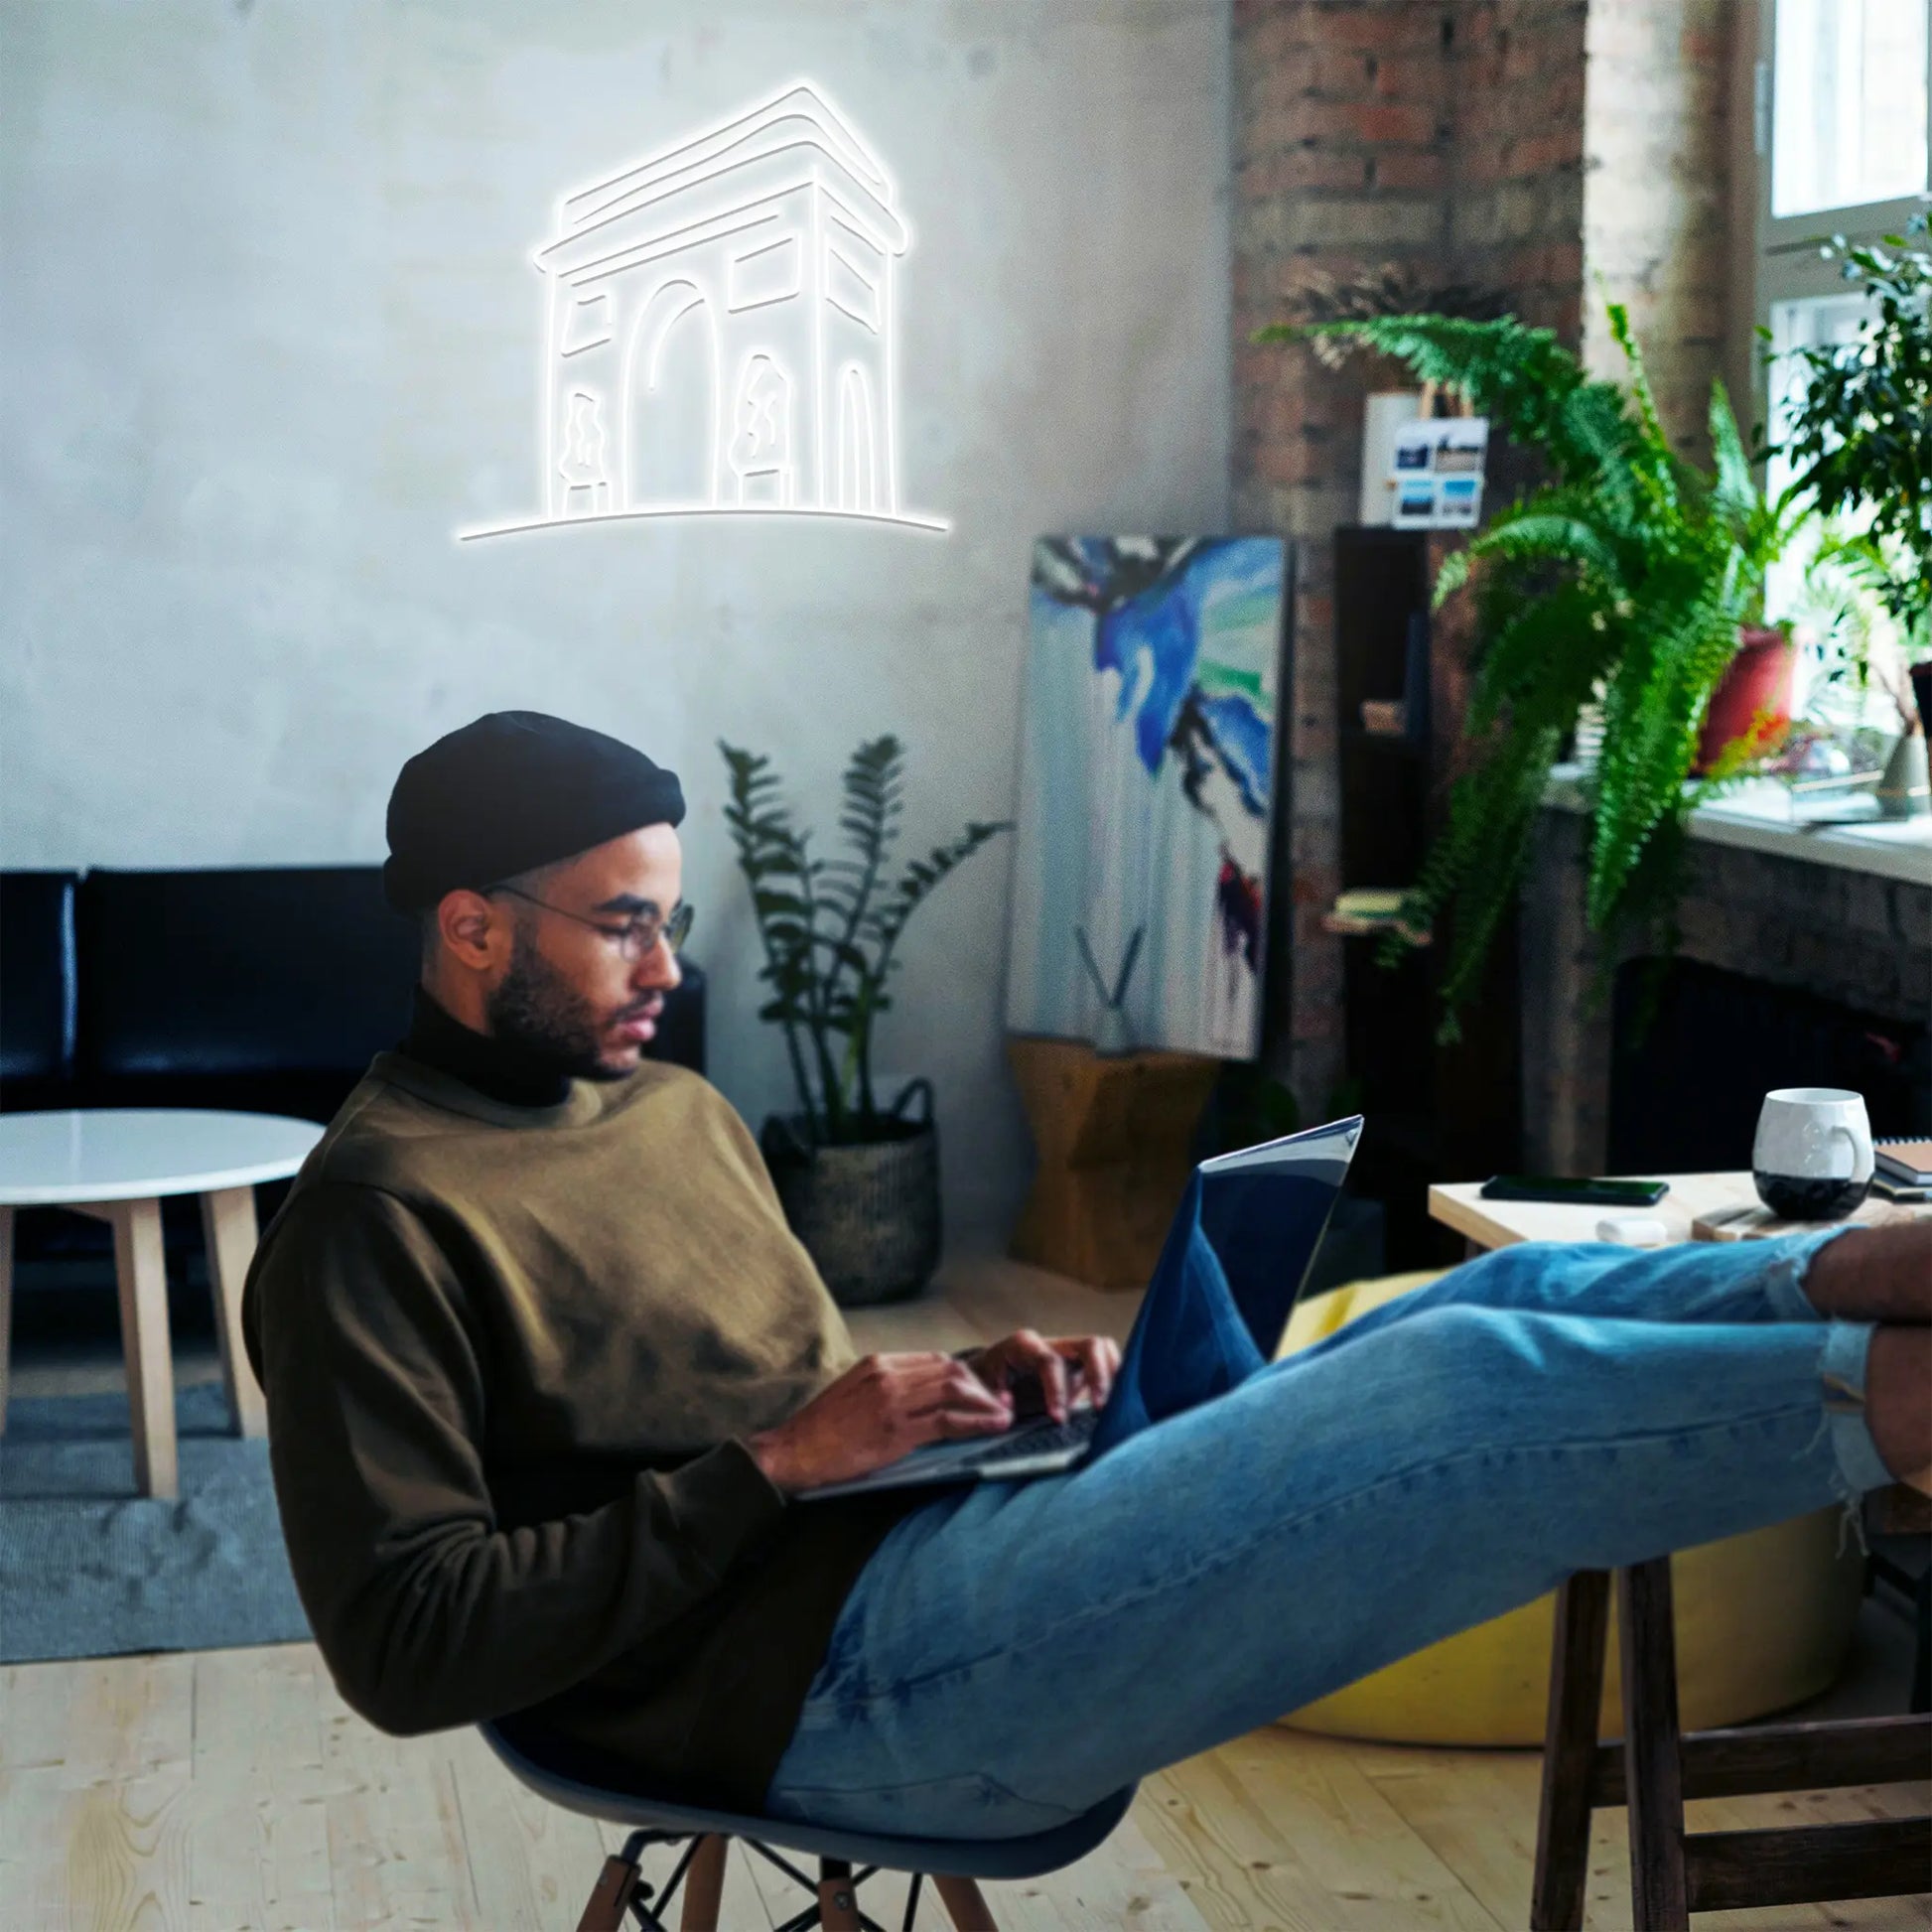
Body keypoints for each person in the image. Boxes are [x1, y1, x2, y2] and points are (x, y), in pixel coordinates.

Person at [244, 710, 1931, 1843]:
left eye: (671, 921)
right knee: (1459, 1392)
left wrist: (967, 1408)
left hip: (919, 1560)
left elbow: (800, 1415)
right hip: (810, 1697)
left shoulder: (671, 1111)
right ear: (471, 929)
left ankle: (1864, 1263)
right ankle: (1897, 1395)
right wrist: (778, 1466)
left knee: (1500, 1294)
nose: (667, 972)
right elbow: (404, 1646)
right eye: (622, 924)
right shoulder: (375, 1215)